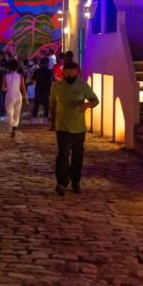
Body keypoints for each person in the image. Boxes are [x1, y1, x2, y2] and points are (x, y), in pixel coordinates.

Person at [49, 62, 98, 196]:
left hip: (79, 128)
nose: (70, 74)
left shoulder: (83, 85)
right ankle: (61, 183)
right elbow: (52, 106)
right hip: (62, 127)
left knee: (78, 156)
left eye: (73, 72)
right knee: (63, 155)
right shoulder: (56, 86)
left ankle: (75, 182)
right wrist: (52, 123)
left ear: (77, 72)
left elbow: (95, 100)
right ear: (63, 72)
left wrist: (87, 105)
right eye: (68, 72)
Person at [2, 60, 28, 137]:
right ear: (18, 67)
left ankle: (12, 125)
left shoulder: (5, 76)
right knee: (17, 114)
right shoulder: (20, 76)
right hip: (18, 96)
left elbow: (3, 89)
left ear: (9, 67)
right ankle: (15, 127)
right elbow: (23, 87)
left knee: (10, 113)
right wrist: (26, 98)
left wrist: (7, 87)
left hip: (9, 95)